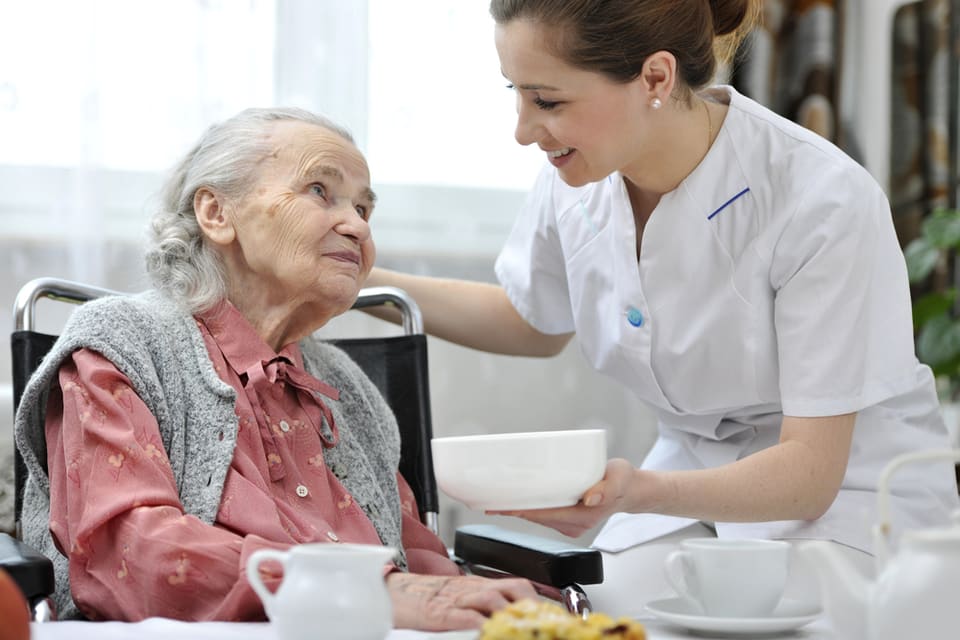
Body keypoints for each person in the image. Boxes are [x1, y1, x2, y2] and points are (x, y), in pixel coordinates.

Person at [364, 0, 960, 616]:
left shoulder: (820, 200)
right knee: (592, 614)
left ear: (655, 77)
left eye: (547, 101)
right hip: (687, 486)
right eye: (516, 93)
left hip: (847, 509)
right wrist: (355, 280)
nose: (522, 130)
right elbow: (531, 321)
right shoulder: (578, 175)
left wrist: (635, 492)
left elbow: (809, 475)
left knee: (744, 622)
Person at [13, 107, 536, 626]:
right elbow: (127, 554)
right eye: (319, 191)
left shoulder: (348, 389)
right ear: (217, 214)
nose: (356, 225)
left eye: (364, 209)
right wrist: (364, 594)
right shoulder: (122, 345)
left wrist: (504, 608)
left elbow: (414, 558)